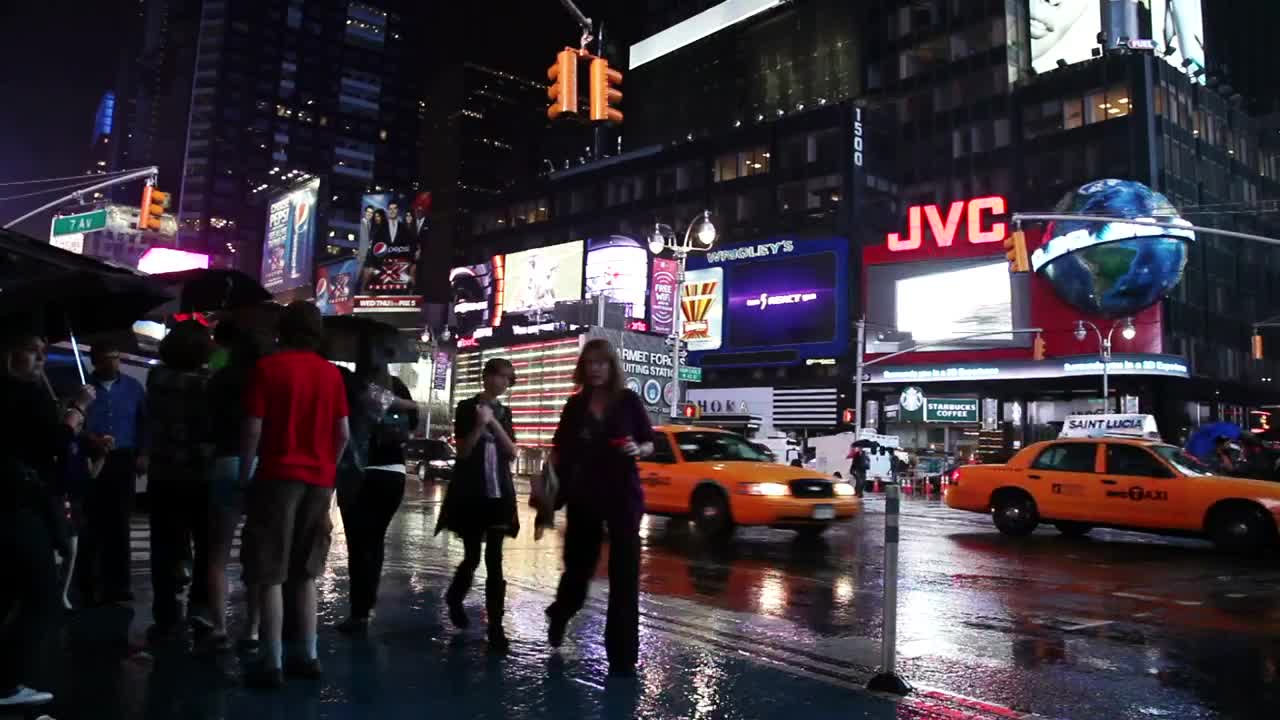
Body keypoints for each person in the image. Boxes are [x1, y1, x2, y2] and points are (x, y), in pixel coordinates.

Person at [239, 302, 350, 689]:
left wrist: (244, 474)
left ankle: (272, 662)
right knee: (306, 573)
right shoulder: (332, 375)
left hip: (276, 476)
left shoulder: (267, 368)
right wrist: (328, 472)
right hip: (319, 481)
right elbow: (344, 434)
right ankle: (309, 655)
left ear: (282, 330)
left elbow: (253, 429)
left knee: (270, 572)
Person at [546, 339, 654, 676]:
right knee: (579, 570)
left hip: (623, 495)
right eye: (590, 362)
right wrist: (548, 492)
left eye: (601, 363)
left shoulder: (628, 402)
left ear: (611, 367)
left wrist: (638, 448)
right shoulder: (574, 407)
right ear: (583, 367)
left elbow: (650, 442)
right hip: (584, 495)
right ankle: (562, 611)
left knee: (625, 578)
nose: (595, 368)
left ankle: (622, 656)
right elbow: (559, 452)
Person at [0, 329, 95, 707]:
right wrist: (78, 410)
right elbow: (51, 445)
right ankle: (6, 683)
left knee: (8, 590)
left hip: (9, 501)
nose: (40, 359)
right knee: (42, 595)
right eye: (31, 351)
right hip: (20, 504)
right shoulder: (23, 394)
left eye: (42, 351)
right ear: (10, 353)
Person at [335, 338, 418, 634]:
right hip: (393, 472)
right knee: (376, 541)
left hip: (358, 472)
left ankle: (359, 613)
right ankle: (366, 606)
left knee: (359, 544)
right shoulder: (398, 387)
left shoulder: (350, 384)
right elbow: (412, 426)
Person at [436, 358, 518, 652]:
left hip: (499, 495)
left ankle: (496, 628)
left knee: (494, 561)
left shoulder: (505, 412)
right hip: (472, 494)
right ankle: (455, 598)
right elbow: (463, 451)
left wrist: (493, 422)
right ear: (485, 376)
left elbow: (512, 452)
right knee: (472, 556)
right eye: (497, 376)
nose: (501, 383)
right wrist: (478, 424)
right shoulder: (465, 407)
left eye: (507, 379)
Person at [145, 321, 214, 645]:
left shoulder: (155, 379)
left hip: (163, 472)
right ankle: (200, 606)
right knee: (206, 545)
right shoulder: (207, 385)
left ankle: (165, 612)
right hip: (200, 473)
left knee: (163, 545)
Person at [204, 320, 263, 652]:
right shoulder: (266, 378)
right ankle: (252, 629)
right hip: (260, 466)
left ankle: (219, 626)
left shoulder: (219, 381)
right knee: (256, 554)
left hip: (225, 461)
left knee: (218, 553)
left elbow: (207, 422)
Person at [81, 340, 148, 605]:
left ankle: (119, 583)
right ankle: (88, 582)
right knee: (91, 521)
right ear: (95, 361)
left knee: (120, 522)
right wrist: (91, 439)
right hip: (93, 457)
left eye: (116, 357)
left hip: (123, 457)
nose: (113, 363)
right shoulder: (83, 388)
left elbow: (144, 422)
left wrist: (143, 454)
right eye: (107, 358)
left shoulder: (133, 387)